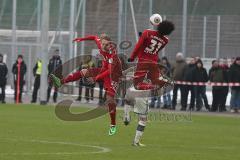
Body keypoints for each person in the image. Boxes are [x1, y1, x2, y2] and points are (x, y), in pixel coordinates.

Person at [50, 34, 122, 136]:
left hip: (114, 75)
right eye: (102, 43)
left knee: (110, 99)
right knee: (83, 71)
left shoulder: (112, 53)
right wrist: (81, 39)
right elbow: (93, 37)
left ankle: (113, 124)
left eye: (105, 44)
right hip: (104, 70)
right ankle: (61, 82)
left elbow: (110, 71)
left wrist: (95, 78)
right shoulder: (100, 44)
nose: (103, 45)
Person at [127, 20, 175, 90]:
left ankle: (153, 87)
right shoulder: (165, 40)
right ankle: (164, 82)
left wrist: (132, 57)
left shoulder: (147, 32)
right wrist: (142, 37)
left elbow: (138, 46)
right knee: (155, 81)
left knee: (137, 85)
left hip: (143, 61)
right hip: (153, 62)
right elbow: (156, 50)